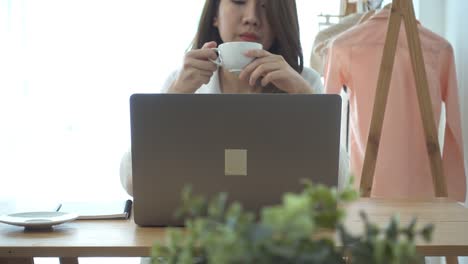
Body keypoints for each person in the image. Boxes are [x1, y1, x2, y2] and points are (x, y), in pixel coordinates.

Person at [120, 0, 349, 197]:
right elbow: (132, 180)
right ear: (214, 16)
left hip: (278, 237)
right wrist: (176, 96)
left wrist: (305, 97)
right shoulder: (183, 82)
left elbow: (338, 184)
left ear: (282, 20)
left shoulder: (303, 81)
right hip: (199, 235)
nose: (252, 18)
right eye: (239, 1)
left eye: (266, 6)